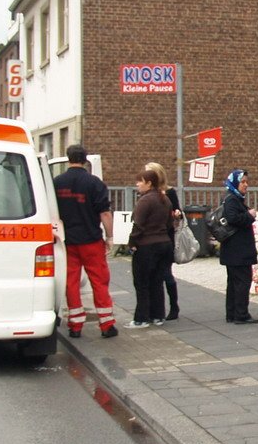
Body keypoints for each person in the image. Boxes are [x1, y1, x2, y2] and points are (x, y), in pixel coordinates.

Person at [54, 144, 117, 338]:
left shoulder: (57, 183)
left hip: (68, 242)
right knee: (99, 280)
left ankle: (75, 325)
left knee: (70, 283)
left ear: (68, 158)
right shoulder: (94, 183)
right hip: (91, 240)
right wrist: (109, 236)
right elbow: (105, 213)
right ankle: (106, 325)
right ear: (85, 159)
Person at [127, 169, 173, 328]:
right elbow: (169, 223)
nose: (137, 184)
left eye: (140, 181)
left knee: (142, 283)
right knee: (157, 281)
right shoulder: (165, 199)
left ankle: (141, 318)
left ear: (149, 183)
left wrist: (131, 243)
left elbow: (138, 225)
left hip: (147, 246)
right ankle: (158, 315)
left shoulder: (145, 201)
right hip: (164, 244)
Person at [219, 169, 258, 324]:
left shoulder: (235, 198)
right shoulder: (232, 199)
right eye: (243, 182)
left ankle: (233, 313)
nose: (246, 185)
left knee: (234, 282)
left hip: (235, 250)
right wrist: (250, 215)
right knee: (242, 282)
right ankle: (241, 314)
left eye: (246, 182)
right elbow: (233, 218)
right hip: (237, 250)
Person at [145, 162, 182, 320]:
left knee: (166, 273)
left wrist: (177, 214)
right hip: (150, 239)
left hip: (166, 237)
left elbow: (178, 211)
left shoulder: (169, 192)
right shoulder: (145, 193)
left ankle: (174, 306)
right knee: (153, 274)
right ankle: (156, 309)